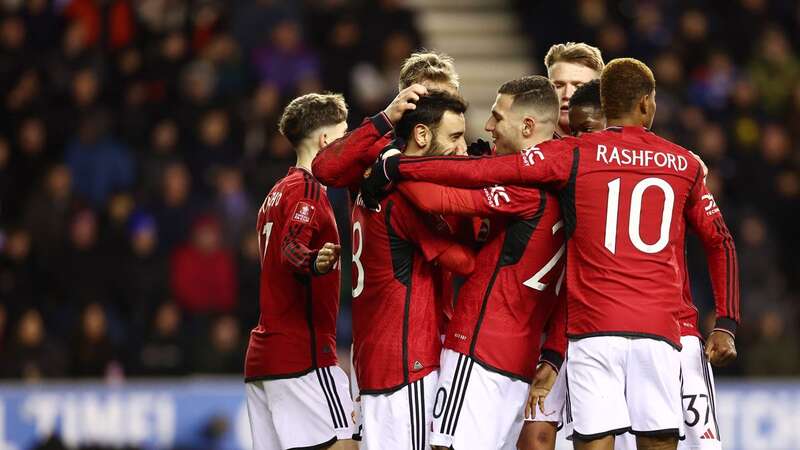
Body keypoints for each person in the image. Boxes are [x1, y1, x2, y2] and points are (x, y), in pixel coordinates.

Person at [367, 58, 740, 450]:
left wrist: (402, 167)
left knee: (590, 441)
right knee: (662, 442)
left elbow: (480, 174)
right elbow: (721, 241)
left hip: (592, 329)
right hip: (660, 328)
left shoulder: (572, 156)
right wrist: (726, 323)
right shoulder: (684, 162)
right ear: (648, 104)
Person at [391, 76, 567, 450]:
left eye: (497, 117)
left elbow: (437, 198)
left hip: (478, 349)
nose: (488, 128)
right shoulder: (572, 189)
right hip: (520, 360)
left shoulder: (524, 190)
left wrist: (390, 168)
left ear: (528, 126)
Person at [351, 91, 476, 450]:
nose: (463, 148)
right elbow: (465, 263)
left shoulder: (373, 183)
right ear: (422, 135)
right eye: (454, 137)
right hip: (408, 363)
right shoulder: (406, 195)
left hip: (374, 361)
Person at [243, 93, 356, 450]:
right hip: (303, 357)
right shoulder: (308, 190)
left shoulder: (276, 192)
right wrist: (314, 261)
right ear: (326, 141)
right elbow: (291, 248)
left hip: (265, 359)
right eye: (344, 135)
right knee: (346, 444)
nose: (349, 145)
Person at [312, 51, 460, 189]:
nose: (443, 110)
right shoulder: (377, 149)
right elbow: (323, 170)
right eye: (433, 101)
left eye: (449, 102)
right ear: (407, 99)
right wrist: (385, 118)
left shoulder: (460, 151)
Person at [544, 42, 605, 138]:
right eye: (558, 86)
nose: (567, 94)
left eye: (579, 87)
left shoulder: (620, 149)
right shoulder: (528, 148)